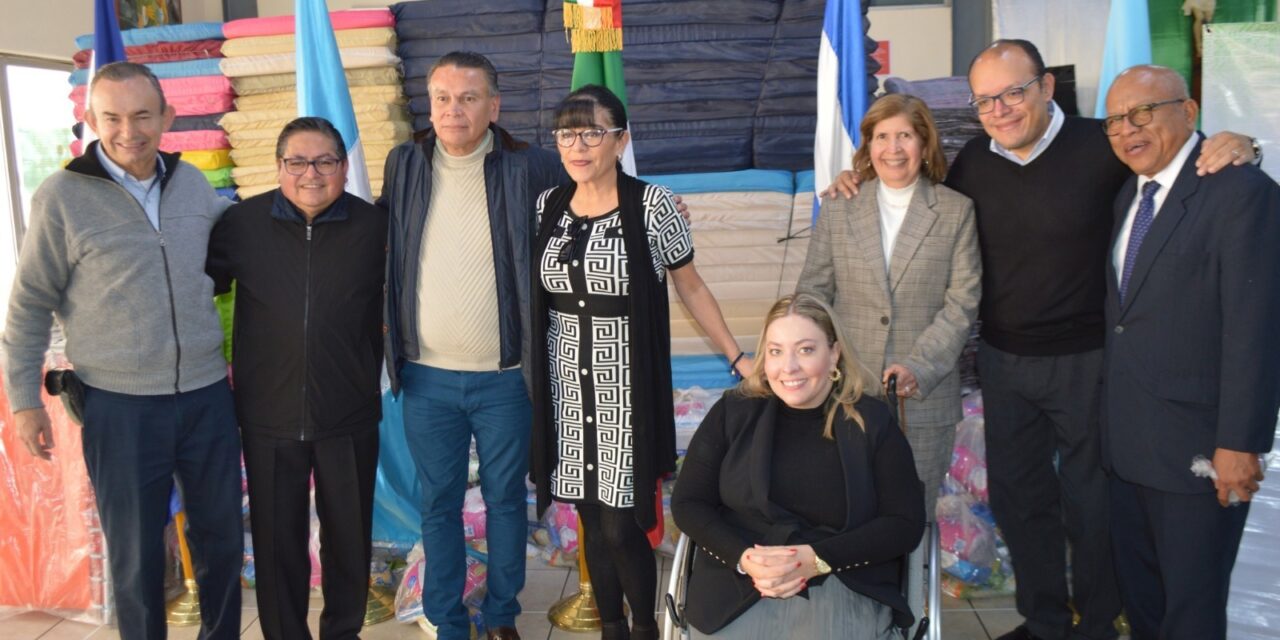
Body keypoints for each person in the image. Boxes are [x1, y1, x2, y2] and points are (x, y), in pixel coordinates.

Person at [1, 61, 242, 640]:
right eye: (111, 117)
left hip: (207, 395)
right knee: (137, 558)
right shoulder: (62, 196)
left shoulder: (192, 184)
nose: (128, 131)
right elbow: (29, 304)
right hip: (120, 406)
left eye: (142, 116)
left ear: (167, 117)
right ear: (91, 118)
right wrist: (24, 402)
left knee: (222, 543)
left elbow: (241, 236)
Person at [529, 85, 751, 640]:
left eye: (592, 132)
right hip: (565, 390)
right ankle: (612, 628)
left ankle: (645, 627)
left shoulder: (653, 206)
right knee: (588, 519)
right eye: (567, 134)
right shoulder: (546, 205)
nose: (578, 146)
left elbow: (690, 286)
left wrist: (737, 356)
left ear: (621, 140)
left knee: (618, 524)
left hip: (623, 390)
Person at [1099, 65, 1279, 640]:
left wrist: (1241, 443)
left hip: (1198, 456)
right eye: (1115, 120)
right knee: (1145, 608)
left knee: (1192, 614)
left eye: (1142, 112)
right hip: (1128, 451)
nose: (1128, 129)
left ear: (1190, 111)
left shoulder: (1241, 192)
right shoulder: (1130, 194)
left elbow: (1255, 328)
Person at [206, 117, 387, 640]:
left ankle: (342, 632)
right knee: (275, 541)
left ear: (344, 167)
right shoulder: (242, 224)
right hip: (268, 413)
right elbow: (198, 291)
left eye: (325, 161)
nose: (312, 174)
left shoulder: (374, 227)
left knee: (348, 539)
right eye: (298, 162)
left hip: (348, 411)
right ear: (279, 166)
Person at [671, 293, 926, 640]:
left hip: (841, 576)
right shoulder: (734, 411)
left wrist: (817, 559)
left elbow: (904, 522)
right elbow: (688, 502)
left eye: (805, 350)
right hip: (739, 578)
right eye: (775, 351)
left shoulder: (871, 421)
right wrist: (743, 559)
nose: (788, 367)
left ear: (834, 353)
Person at [797, 93, 980, 516]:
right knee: (844, 512)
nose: (893, 149)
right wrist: (811, 364)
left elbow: (962, 303)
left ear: (925, 144)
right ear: (868, 145)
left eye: (905, 136)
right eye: (882, 137)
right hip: (846, 394)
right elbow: (813, 294)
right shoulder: (840, 207)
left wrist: (920, 366)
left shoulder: (956, 212)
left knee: (912, 517)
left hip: (922, 403)